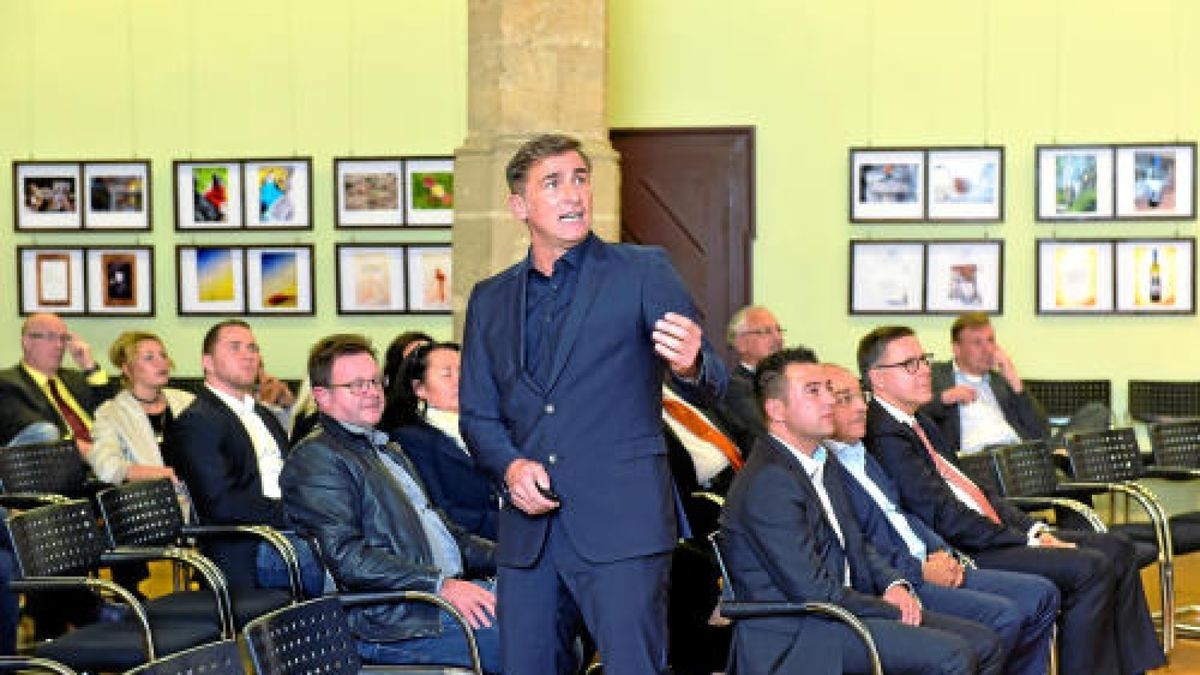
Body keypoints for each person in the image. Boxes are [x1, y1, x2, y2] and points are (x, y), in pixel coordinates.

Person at [460, 133, 728, 675]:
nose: (573, 194)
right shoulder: (490, 298)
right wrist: (510, 466)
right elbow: (478, 415)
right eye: (553, 183)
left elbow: (714, 380)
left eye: (580, 178)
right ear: (519, 206)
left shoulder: (642, 270)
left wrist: (690, 364)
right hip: (528, 537)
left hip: (623, 524)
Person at [858, 326, 1165, 675]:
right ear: (877, 379)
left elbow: (977, 491)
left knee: (1119, 547)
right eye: (909, 364)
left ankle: (1133, 669)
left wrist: (1033, 527)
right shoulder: (884, 432)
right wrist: (1026, 540)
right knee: (1090, 567)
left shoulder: (920, 422)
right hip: (968, 547)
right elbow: (941, 515)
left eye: (924, 359)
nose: (925, 369)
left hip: (989, 531)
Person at [717, 348, 1004, 675]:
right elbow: (813, 591)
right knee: (954, 654)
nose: (828, 400)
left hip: (842, 613)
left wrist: (894, 584)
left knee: (985, 643)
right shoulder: (769, 482)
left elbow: (856, 541)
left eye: (828, 388)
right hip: (802, 634)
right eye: (813, 391)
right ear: (776, 409)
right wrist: (885, 608)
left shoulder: (821, 461)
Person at [280, 334, 501, 673]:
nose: (371, 391)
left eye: (374, 381)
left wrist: (511, 559)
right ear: (322, 397)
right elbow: (348, 558)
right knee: (532, 635)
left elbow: (447, 533)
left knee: (558, 605)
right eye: (356, 385)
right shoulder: (317, 458)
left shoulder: (386, 449)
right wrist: (439, 584)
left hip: (432, 597)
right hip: (391, 620)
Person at [824, 363, 1058, 675]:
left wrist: (939, 550)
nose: (860, 407)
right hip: (900, 579)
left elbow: (903, 515)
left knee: (1041, 594)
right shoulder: (828, 469)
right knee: (1002, 619)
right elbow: (862, 543)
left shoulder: (862, 454)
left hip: (932, 559)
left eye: (860, 396)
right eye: (844, 399)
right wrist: (918, 569)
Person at [162, 319, 324, 596]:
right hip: (249, 547)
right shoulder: (197, 421)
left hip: (288, 532)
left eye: (253, 347)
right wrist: (298, 513)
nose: (248, 354)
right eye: (235, 347)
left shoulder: (262, 415)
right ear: (208, 362)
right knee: (340, 560)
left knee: (371, 541)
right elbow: (222, 505)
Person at [922, 312, 1107, 453]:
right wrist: (945, 398)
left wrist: (1015, 382)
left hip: (1021, 456)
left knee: (1096, 412)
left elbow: (1041, 432)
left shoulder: (1001, 381)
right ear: (956, 349)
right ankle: (1063, 469)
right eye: (977, 343)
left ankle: (1060, 464)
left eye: (991, 340)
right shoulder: (935, 375)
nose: (988, 349)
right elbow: (908, 412)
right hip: (979, 459)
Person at [382, 341, 500, 540]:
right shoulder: (410, 440)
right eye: (447, 374)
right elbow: (437, 511)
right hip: (467, 549)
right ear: (419, 388)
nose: (460, 381)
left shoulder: (492, 426)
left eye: (463, 371)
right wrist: (506, 524)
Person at [87, 331, 190, 485]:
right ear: (127, 369)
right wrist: (161, 474)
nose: (161, 363)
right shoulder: (111, 414)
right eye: (149, 358)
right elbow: (107, 468)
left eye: (163, 355)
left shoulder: (187, 401)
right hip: (152, 500)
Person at [0, 313, 109, 451]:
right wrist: (100, 457)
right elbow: (38, 433)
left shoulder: (76, 379)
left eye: (63, 338)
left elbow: (113, 411)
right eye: (50, 337)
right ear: (26, 342)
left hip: (106, 456)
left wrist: (90, 367)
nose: (59, 345)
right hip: (59, 462)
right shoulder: (8, 383)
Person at [713, 305, 787, 454]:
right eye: (766, 332)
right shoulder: (734, 387)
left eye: (779, 330)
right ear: (741, 343)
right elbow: (767, 436)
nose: (778, 338)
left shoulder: (787, 381)